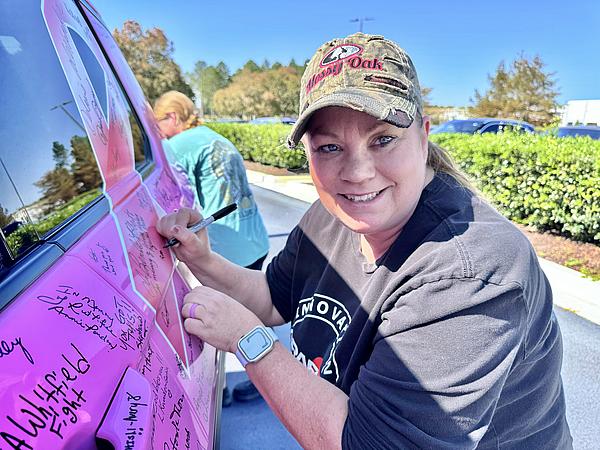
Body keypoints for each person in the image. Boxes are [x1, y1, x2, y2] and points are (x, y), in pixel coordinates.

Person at [156, 33, 572, 449]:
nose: (356, 173)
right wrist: (202, 259)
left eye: (383, 139)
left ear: (423, 137)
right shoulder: (332, 216)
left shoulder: (469, 272)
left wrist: (248, 341)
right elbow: (272, 298)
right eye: (329, 147)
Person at [154, 91, 269, 405]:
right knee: (256, 313)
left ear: (173, 116)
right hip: (254, 237)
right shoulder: (214, 137)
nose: (158, 132)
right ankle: (264, 377)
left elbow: (175, 199)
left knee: (220, 319)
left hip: (226, 248)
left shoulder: (176, 147)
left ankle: (220, 391)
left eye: (159, 122)